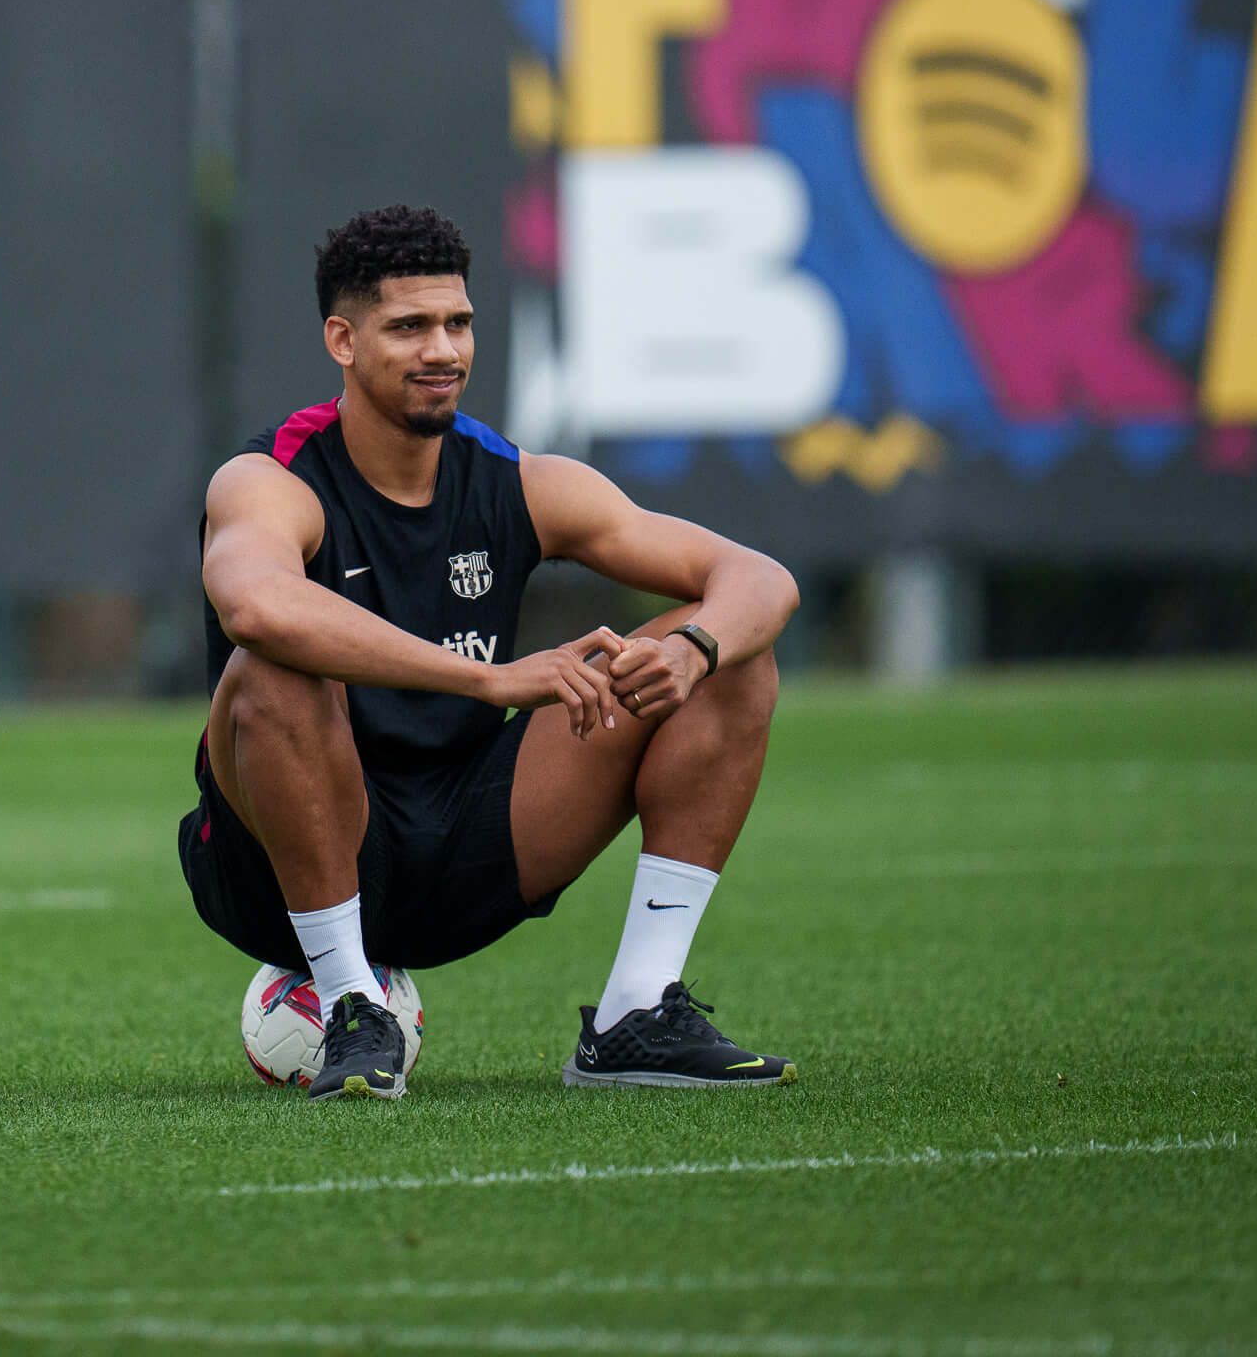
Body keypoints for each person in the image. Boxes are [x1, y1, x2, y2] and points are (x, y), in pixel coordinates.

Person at [183, 205, 801, 1099]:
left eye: (458, 323)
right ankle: (354, 1007)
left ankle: (636, 1012)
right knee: (272, 670)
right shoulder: (271, 477)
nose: (444, 350)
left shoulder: (521, 480)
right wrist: (486, 677)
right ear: (343, 341)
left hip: (462, 844)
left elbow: (758, 576)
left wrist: (696, 650)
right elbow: (256, 605)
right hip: (271, 870)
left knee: (734, 648)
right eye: (410, 327)